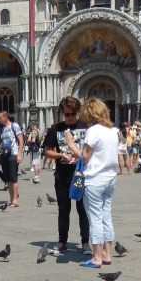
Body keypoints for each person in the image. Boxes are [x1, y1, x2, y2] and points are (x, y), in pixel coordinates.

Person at [64, 98, 119, 268]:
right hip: (110, 178)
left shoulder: (93, 131)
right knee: (106, 215)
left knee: (94, 218)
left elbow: (85, 157)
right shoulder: (113, 130)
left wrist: (71, 143)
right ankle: (106, 253)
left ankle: (96, 258)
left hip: (95, 180)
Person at [43, 97, 91, 255]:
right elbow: (47, 150)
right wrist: (61, 155)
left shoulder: (86, 127)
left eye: (73, 114)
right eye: (67, 114)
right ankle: (62, 241)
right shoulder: (56, 129)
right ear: (63, 112)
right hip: (62, 175)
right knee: (63, 209)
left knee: (82, 209)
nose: (70, 117)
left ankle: (85, 242)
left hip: (81, 175)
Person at [0, 110, 23, 207]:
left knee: (13, 178)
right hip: (4, 154)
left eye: (0, 118)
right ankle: (11, 199)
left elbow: (21, 140)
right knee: (7, 179)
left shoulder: (14, 126)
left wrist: (19, 154)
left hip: (13, 154)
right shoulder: (2, 129)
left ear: (5, 117)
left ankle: (15, 200)